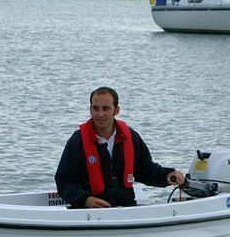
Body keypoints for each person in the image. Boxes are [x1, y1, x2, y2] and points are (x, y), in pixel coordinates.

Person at [54, 86, 185, 209]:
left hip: (125, 209)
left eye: (105, 108)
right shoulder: (77, 141)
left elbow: (146, 170)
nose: (99, 114)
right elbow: (64, 181)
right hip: (87, 213)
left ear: (116, 110)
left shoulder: (131, 137)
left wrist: (167, 175)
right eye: (95, 108)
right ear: (90, 109)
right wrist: (86, 199)